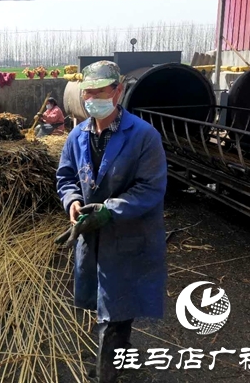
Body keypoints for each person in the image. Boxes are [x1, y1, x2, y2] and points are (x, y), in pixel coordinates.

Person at [55, 61, 167, 383]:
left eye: (100, 92)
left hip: (128, 237)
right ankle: (119, 353)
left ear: (118, 91)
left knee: (114, 310)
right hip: (93, 241)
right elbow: (65, 176)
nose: (92, 99)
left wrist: (109, 210)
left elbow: (150, 188)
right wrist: (73, 201)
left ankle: (106, 374)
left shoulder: (144, 136)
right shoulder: (77, 135)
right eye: (88, 92)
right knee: (105, 304)